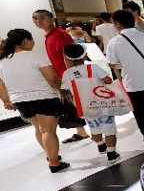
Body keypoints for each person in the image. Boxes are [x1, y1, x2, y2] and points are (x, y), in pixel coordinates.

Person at [0, 29, 68, 172]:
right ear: (25, 41)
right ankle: (54, 163)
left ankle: (50, 155)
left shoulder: (2, 61)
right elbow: (52, 78)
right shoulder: (36, 56)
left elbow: (1, 84)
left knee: (39, 129)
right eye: (32, 40)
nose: (33, 43)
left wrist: (7, 100)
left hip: (21, 101)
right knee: (48, 130)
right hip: (44, 98)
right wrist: (62, 89)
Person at [106, 10, 144, 143]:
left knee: (141, 114)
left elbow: (111, 63)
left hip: (132, 85)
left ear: (117, 24)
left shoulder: (113, 42)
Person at [32, 9, 89, 144]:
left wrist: (69, 78)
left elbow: (71, 56)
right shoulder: (51, 36)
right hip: (64, 76)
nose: (38, 21)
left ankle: (99, 131)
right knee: (74, 104)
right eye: (35, 18)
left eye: (41, 17)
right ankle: (82, 131)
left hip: (69, 76)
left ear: (51, 19)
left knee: (81, 103)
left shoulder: (59, 35)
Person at [59, 44, 120, 162]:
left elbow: (63, 91)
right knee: (109, 129)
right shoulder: (93, 68)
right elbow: (108, 80)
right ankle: (111, 153)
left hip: (85, 107)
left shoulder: (67, 74)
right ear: (85, 55)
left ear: (67, 58)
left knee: (94, 128)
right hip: (102, 104)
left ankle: (101, 145)